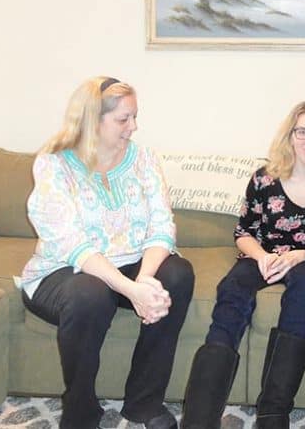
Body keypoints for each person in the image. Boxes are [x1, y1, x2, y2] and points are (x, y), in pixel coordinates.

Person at [16, 76, 194, 429]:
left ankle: (144, 403)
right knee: (91, 293)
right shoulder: (54, 165)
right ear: (92, 120)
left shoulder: (144, 159)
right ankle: (81, 412)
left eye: (135, 117)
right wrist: (131, 291)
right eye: (123, 119)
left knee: (177, 272)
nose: (134, 126)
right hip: (64, 271)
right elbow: (73, 244)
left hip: (130, 266)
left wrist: (144, 278)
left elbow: (162, 224)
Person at [181, 101, 305, 429]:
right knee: (232, 288)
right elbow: (243, 232)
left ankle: (273, 412)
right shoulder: (264, 178)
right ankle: (199, 418)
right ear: (290, 135)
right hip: (263, 254)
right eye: (302, 131)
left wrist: (302, 255)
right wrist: (262, 257)